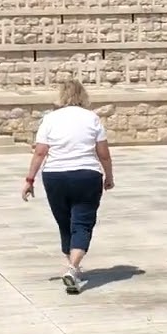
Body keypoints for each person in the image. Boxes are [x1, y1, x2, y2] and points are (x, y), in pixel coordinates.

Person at [21, 80, 115, 294]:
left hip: (55, 176)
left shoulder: (50, 119)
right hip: (87, 175)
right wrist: (109, 176)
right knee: (82, 223)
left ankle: (72, 268)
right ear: (83, 95)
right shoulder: (92, 118)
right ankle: (72, 268)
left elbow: (40, 151)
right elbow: (103, 153)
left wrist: (29, 180)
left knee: (64, 222)